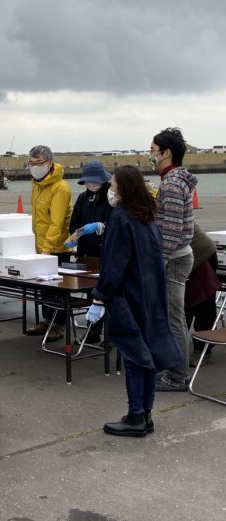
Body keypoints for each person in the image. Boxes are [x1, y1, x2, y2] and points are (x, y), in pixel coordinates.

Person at [87, 166, 182, 437]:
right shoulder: (149, 218)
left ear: (123, 188)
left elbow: (115, 264)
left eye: (113, 184)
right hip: (151, 296)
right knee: (148, 356)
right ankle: (146, 414)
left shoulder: (121, 218)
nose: (111, 189)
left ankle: (135, 415)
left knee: (132, 357)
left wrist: (100, 298)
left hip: (129, 297)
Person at [150, 128, 197, 392]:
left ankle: (178, 376)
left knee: (174, 318)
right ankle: (175, 369)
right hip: (178, 256)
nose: (151, 155)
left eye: (153, 150)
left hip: (174, 259)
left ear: (167, 153)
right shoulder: (174, 180)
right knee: (173, 317)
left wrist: (162, 259)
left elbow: (173, 228)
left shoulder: (171, 184)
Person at [25, 145, 73, 342]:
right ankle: (47, 320)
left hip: (56, 247)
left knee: (56, 288)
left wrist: (46, 249)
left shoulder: (60, 187)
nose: (35, 167)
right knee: (43, 287)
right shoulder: (36, 184)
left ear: (50, 163)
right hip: (40, 244)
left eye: (39, 163)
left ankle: (59, 325)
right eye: (32, 163)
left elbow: (57, 221)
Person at [66, 160, 114, 343]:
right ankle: (93, 330)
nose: (92, 185)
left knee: (108, 295)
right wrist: (74, 238)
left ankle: (111, 333)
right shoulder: (82, 198)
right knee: (91, 293)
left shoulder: (111, 198)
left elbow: (116, 224)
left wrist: (100, 227)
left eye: (95, 181)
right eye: (88, 182)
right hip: (87, 254)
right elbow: (75, 224)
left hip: (106, 254)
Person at [185, 223, 221, 367]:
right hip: (181, 253)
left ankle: (203, 349)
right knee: (182, 304)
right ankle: (177, 349)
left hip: (199, 253)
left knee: (201, 301)